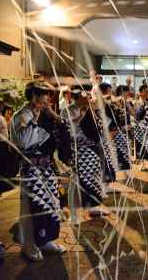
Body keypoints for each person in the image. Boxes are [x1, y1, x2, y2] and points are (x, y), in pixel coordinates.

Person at [10, 82, 66, 262]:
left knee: (49, 204)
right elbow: (23, 141)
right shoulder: (22, 115)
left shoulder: (43, 113)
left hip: (46, 167)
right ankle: (30, 245)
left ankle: (45, 240)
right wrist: (34, 118)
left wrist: (50, 113)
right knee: (32, 206)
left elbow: (61, 133)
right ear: (35, 97)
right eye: (45, 95)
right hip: (31, 169)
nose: (48, 98)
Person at [61, 85, 106, 224]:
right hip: (77, 150)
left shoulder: (89, 109)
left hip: (92, 149)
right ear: (77, 96)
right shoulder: (67, 110)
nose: (88, 97)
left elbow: (99, 127)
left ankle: (91, 207)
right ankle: (73, 215)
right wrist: (82, 114)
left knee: (92, 180)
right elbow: (67, 130)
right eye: (85, 94)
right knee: (75, 182)